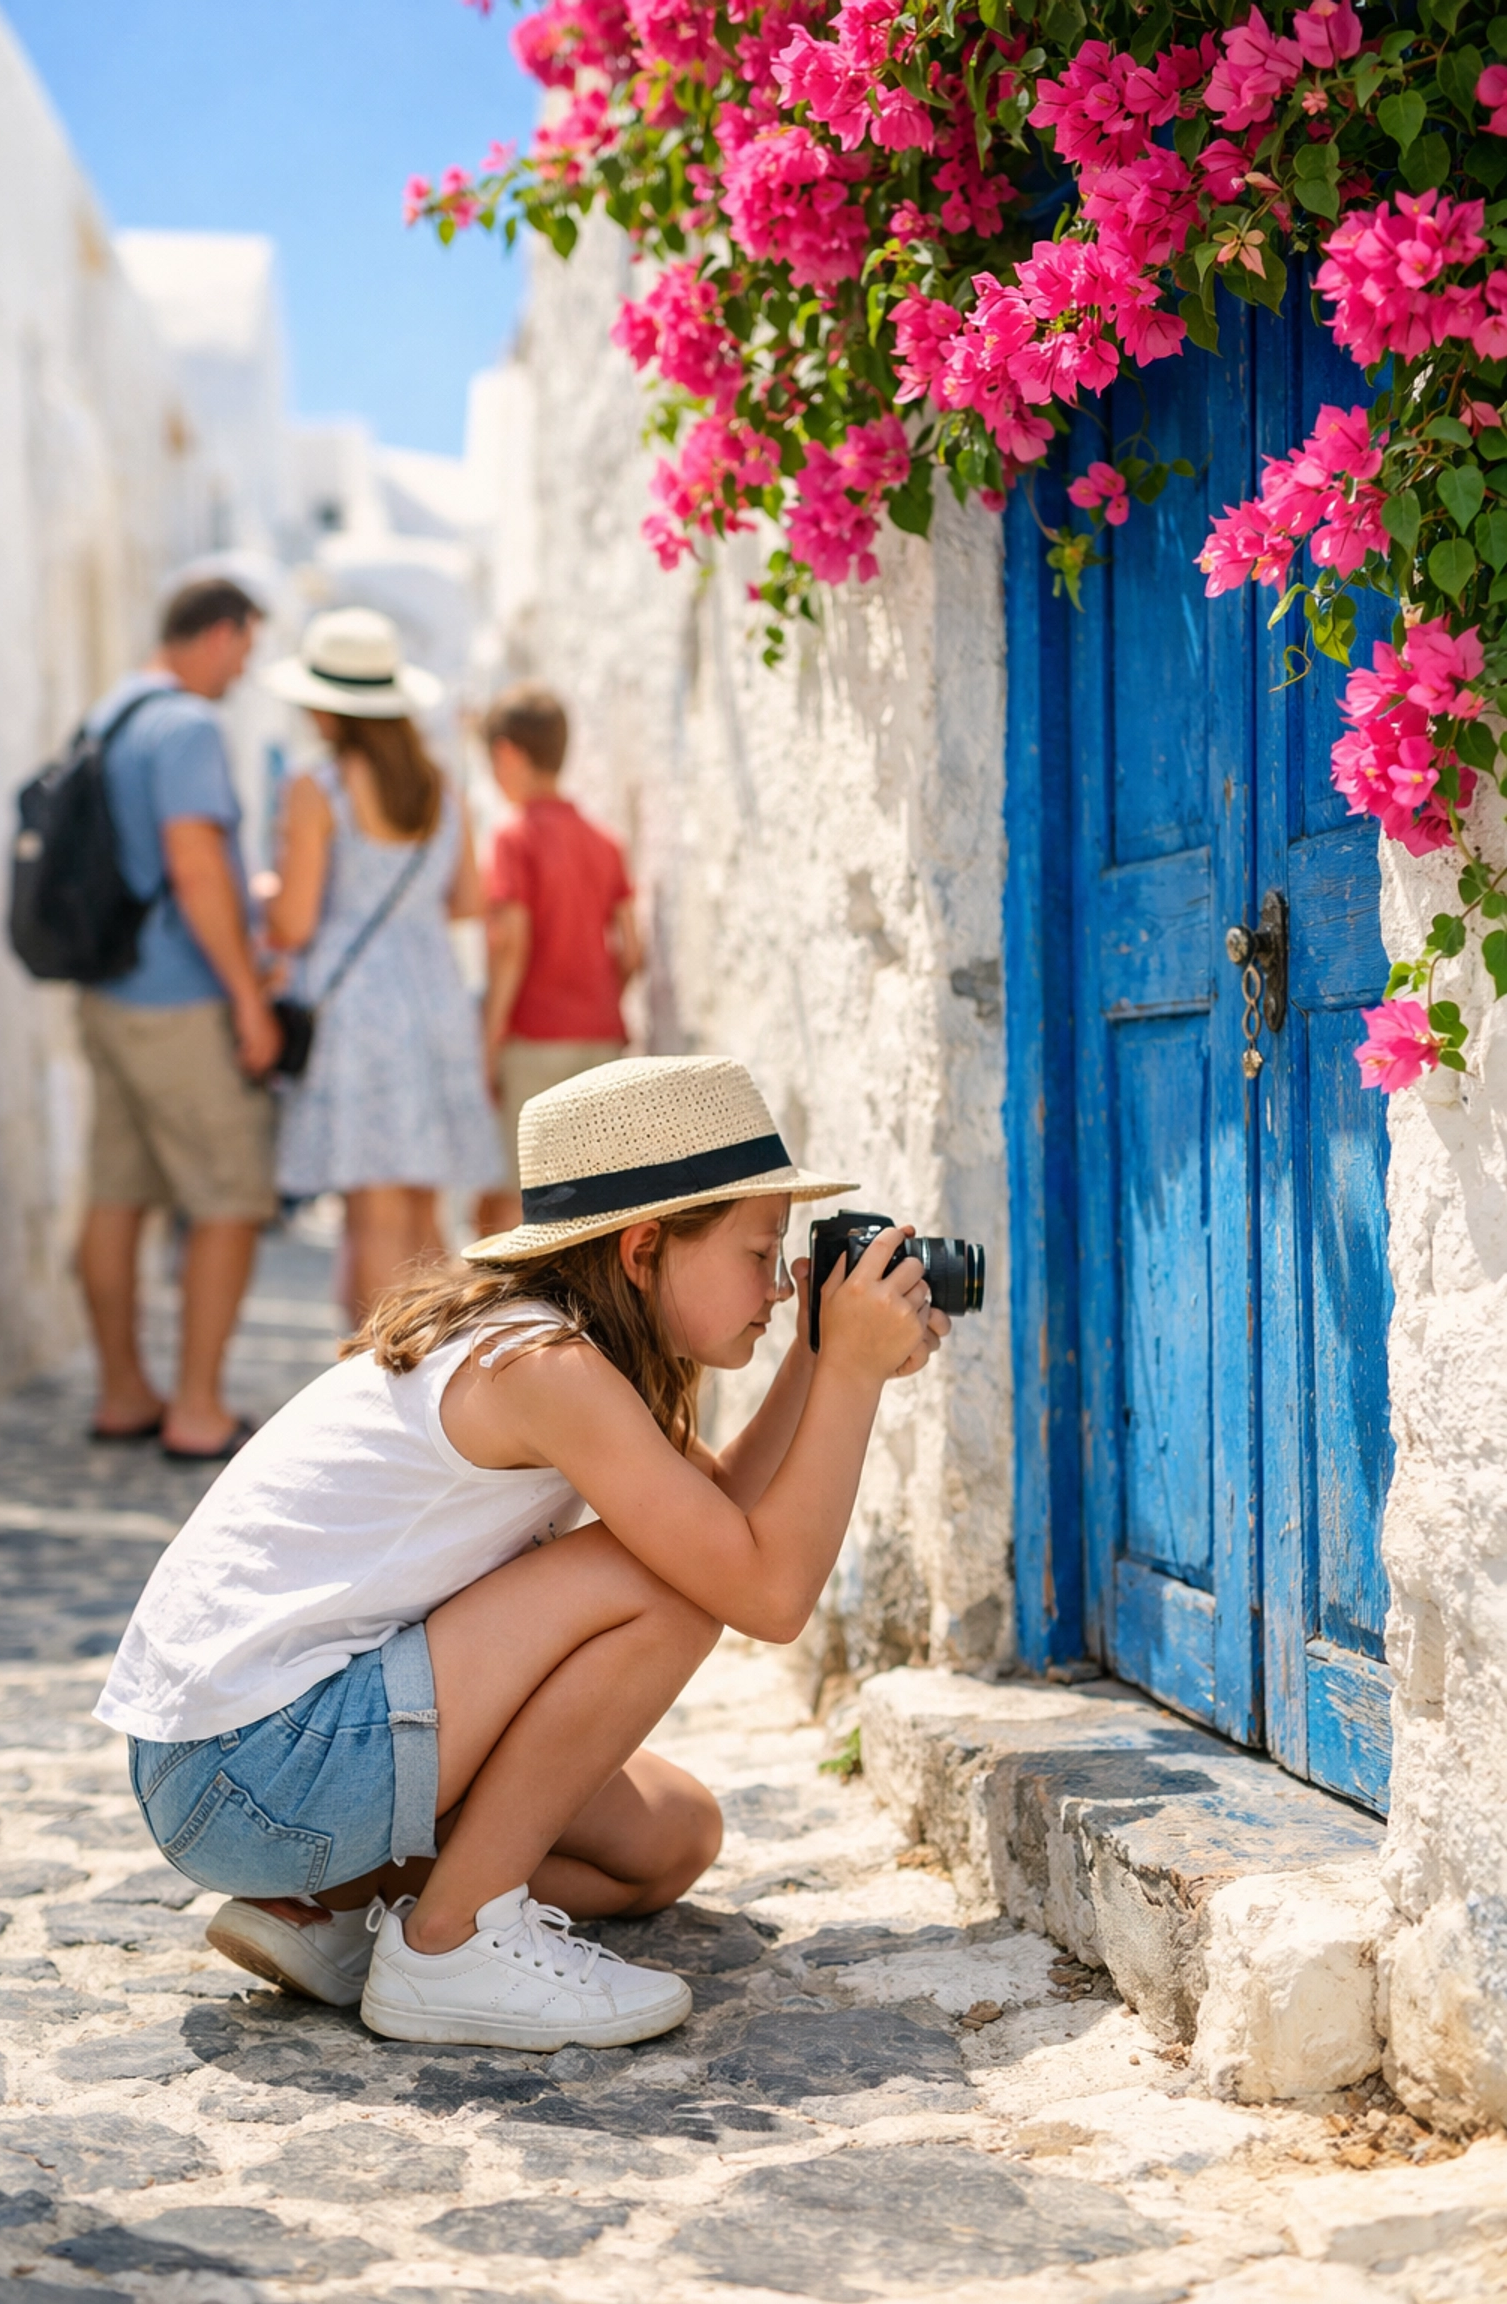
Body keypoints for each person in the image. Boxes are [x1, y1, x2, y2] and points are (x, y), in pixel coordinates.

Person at [96, 1055, 949, 2050]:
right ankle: (451, 1943)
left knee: (671, 1840)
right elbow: (761, 1588)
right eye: (760, 1253)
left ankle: (340, 1908)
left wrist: (814, 1358)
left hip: (243, 1768)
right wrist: (850, 1377)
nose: (775, 1284)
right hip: (251, 1767)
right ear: (643, 1250)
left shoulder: (562, 1350)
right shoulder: (546, 1368)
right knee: (664, 1584)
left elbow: (720, 1516)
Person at [77, 575, 281, 1463]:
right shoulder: (187, 727)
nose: (243, 670)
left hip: (109, 996)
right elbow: (196, 864)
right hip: (181, 999)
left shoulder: (111, 715)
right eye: (245, 648)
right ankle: (197, 1410)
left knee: (116, 1195)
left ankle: (124, 1391)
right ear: (220, 633)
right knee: (230, 1196)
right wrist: (247, 995)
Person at [262, 609, 506, 1322]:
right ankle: (438, 1380)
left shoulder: (319, 786)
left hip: (357, 1005)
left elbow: (295, 921)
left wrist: (268, 896)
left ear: (330, 706)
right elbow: (467, 901)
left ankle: (380, 1378)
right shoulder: (439, 785)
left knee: (371, 1209)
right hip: (433, 992)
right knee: (424, 1209)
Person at [474, 684, 641, 1238]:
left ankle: (507, 1323)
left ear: (507, 754)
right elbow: (632, 949)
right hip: (601, 1040)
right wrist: (597, 1001)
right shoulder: (604, 841)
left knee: (514, 1205)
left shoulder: (512, 836)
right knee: (590, 1207)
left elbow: (512, 941)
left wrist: (491, 1037)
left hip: (534, 1040)